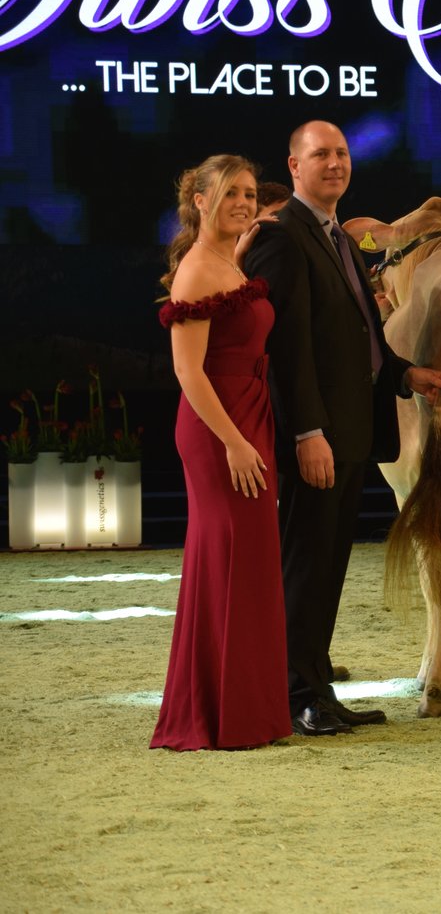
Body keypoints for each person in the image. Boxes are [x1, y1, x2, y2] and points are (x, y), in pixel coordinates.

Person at [243, 121, 441, 735]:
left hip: (355, 432)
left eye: (341, 153)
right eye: (320, 155)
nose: (334, 163)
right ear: (295, 165)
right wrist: (307, 433)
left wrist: (407, 374)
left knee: (328, 566)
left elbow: (361, 336)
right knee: (305, 565)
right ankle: (294, 695)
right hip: (318, 438)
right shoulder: (283, 238)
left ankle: (317, 688)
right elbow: (286, 350)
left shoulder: (336, 235)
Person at [151, 154, 290, 750]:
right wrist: (233, 442)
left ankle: (248, 712)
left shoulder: (227, 261)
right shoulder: (195, 272)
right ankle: (214, 715)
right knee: (228, 559)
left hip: (250, 418)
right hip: (218, 430)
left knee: (251, 563)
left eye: (250, 193)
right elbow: (188, 371)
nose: (243, 201)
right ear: (201, 201)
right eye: (230, 192)